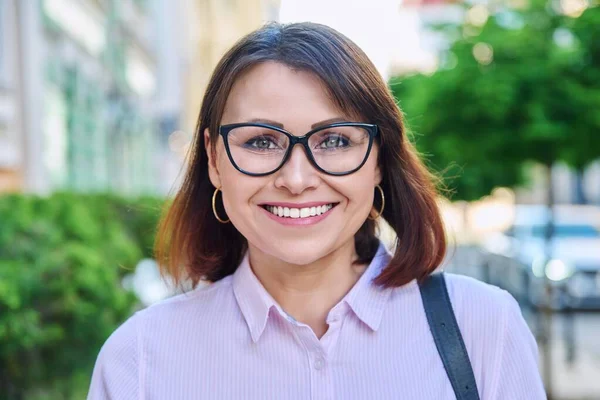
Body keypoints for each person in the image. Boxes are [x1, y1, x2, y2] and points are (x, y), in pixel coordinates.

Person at [87, 22, 546, 399]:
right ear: (213, 159)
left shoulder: (481, 328)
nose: (297, 179)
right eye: (261, 141)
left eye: (335, 140)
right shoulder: (140, 360)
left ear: (380, 159)